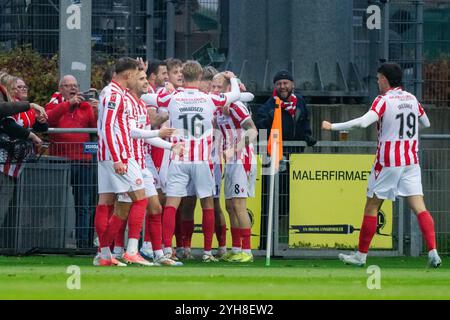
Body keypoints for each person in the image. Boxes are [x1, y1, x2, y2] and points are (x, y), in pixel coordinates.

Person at [322, 62, 442, 268]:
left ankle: (360, 256)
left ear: (385, 79)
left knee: (372, 206)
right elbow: (426, 123)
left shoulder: (383, 100)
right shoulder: (412, 98)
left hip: (388, 161)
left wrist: (333, 126)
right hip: (411, 161)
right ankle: (433, 251)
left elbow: (363, 122)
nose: (377, 82)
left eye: (378, 79)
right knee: (419, 207)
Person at [149, 61, 241, 262]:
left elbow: (148, 96)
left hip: (178, 157)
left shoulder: (172, 97)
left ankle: (167, 249)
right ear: (200, 77)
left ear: (182, 76)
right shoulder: (209, 98)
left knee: (172, 204)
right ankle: (207, 252)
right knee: (207, 203)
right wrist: (233, 79)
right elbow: (235, 95)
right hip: (201, 159)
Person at [113, 68, 182, 266]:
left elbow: (147, 136)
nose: (147, 83)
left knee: (155, 207)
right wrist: (158, 134)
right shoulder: (125, 102)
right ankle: (110, 250)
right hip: (127, 161)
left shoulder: (142, 105)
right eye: (142, 79)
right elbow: (133, 133)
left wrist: (171, 145)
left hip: (142, 162)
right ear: (132, 81)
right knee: (122, 209)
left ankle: (157, 254)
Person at [94, 57, 151, 267]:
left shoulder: (115, 93)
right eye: (136, 74)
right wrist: (118, 158)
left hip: (109, 155)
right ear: (128, 75)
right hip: (119, 156)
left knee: (107, 203)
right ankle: (131, 251)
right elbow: (108, 127)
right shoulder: (114, 94)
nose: (138, 78)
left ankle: (105, 255)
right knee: (140, 198)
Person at [45, 75, 98, 248]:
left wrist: (97, 110)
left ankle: (83, 243)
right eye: (68, 86)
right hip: (60, 161)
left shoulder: (85, 107)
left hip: (83, 161)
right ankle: (53, 241)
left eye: (75, 85)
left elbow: (95, 128)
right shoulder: (54, 105)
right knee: (55, 202)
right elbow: (50, 120)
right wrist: (68, 104)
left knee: (84, 203)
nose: (72, 88)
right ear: (61, 89)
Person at [212, 72, 258, 262]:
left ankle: (247, 251)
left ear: (228, 89)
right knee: (230, 205)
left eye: (218, 87)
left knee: (239, 205)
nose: (215, 91)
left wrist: (234, 149)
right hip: (230, 161)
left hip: (242, 158)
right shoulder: (217, 108)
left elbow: (253, 131)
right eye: (212, 87)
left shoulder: (236, 106)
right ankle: (236, 247)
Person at [255, 70, 316, 145]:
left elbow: (305, 120)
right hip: (275, 153)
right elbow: (262, 135)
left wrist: (307, 135)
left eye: (285, 83)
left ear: (292, 84)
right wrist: (264, 155)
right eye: (279, 84)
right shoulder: (266, 109)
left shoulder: (300, 101)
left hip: (297, 152)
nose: (282, 87)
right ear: (275, 86)